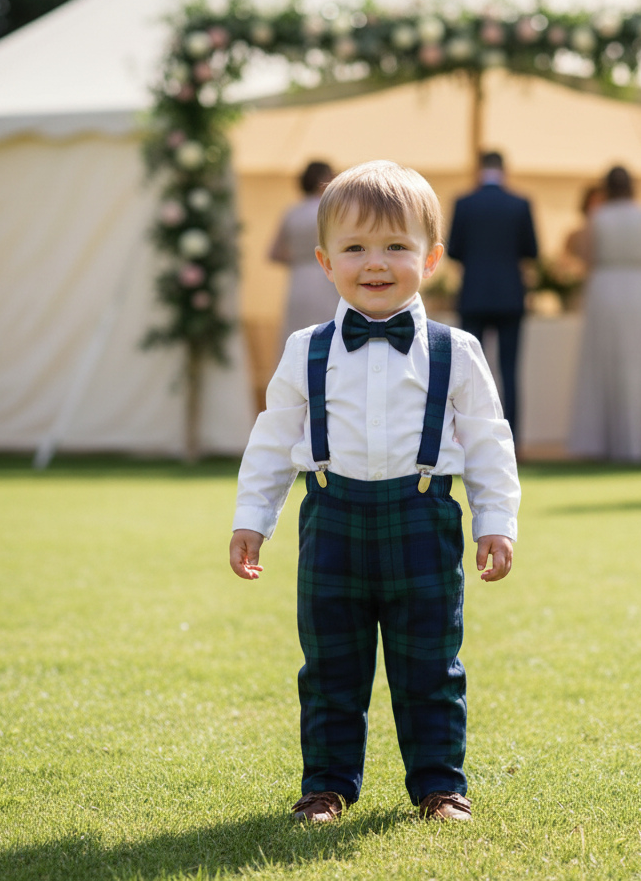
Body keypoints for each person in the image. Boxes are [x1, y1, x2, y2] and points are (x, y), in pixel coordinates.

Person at [229, 161, 520, 824]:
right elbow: (272, 441)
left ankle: (441, 788)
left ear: (433, 258)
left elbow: (487, 442)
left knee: (430, 667)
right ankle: (325, 788)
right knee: (330, 667)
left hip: (423, 520)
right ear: (325, 262)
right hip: (331, 522)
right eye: (355, 248)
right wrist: (253, 517)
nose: (376, 262)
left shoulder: (457, 350)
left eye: (396, 246)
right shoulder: (306, 349)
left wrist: (495, 521)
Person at [568, 166, 641, 461]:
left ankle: (604, 441)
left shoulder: (598, 216)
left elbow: (588, 256)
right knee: (640, 360)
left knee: (604, 361)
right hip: (639, 289)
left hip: (605, 288)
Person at [448, 151, 539, 442]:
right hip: (510, 295)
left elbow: (452, 250)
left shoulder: (463, 203)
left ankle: (471, 439)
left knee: (468, 372)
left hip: (473, 294)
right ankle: (512, 442)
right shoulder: (520, 203)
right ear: (504, 169)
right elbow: (532, 250)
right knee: (510, 371)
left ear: (478, 169)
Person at [269, 161, 340, 349]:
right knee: (328, 329)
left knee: (298, 332)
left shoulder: (292, 212)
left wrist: (300, 258)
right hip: (327, 276)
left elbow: (274, 253)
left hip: (299, 278)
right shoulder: (331, 211)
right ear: (323, 180)